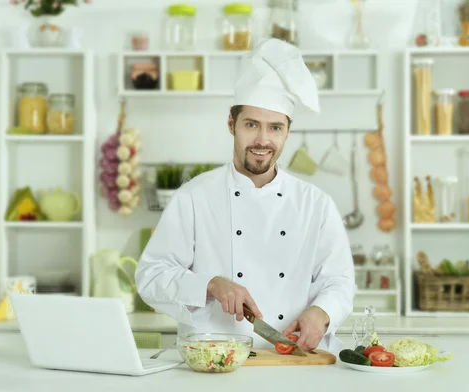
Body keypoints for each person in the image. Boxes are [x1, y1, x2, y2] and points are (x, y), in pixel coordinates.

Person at [134, 38, 356, 354]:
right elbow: (151, 277)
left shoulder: (316, 204)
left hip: (296, 360)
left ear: (287, 132)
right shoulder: (194, 198)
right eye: (251, 124)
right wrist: (209, 285)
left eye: (275, 128)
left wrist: (322, 313)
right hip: (213, 359)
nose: (263, 140)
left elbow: (340, 281)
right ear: (231, 124)